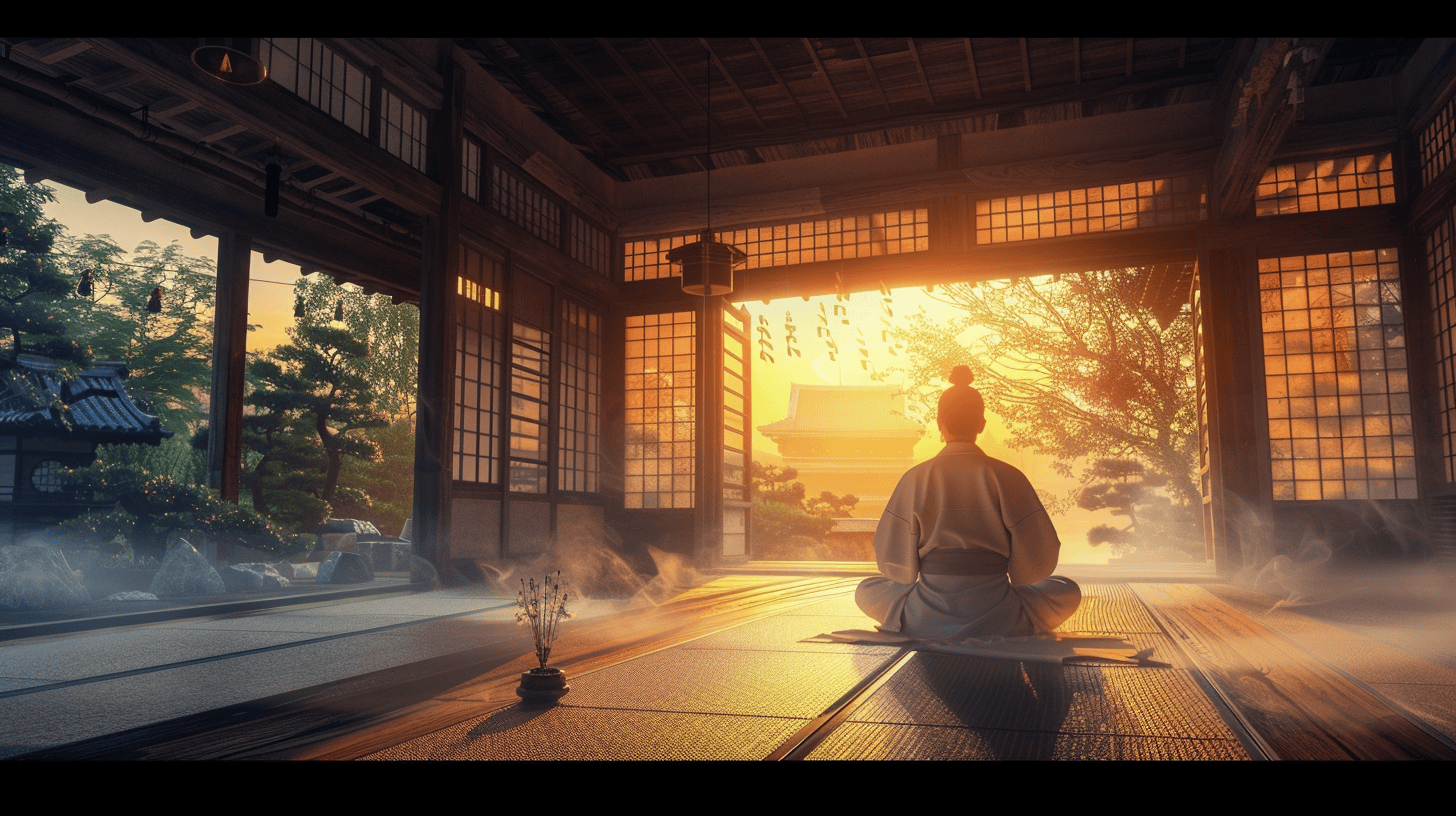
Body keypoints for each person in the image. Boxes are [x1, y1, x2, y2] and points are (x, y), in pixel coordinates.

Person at [856, 365, 1081, 638]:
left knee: (866, 590)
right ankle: (1010, 620)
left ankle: (928, 621)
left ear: (939, 423)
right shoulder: (1007, 476)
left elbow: (891, 559)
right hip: (1000, 612)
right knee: (1067, 589)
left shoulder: (916, 477)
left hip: (924, 614)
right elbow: (1039, 557)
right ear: (981, 424)